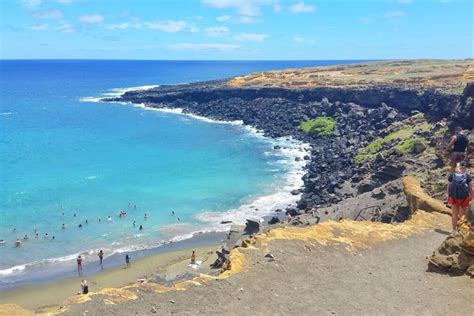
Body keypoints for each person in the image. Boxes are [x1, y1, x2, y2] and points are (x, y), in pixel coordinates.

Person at [447, 161, 473, 233]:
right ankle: (460, 230)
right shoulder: (467, 176)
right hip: (464, 198)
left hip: (453, 197)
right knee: (462, 214)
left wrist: (449, 195)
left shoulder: (452, 175)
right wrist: (471, 197)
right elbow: (471, 188)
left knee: (454, 214)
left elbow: (449, 186)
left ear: (457, 167)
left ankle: (453, 230)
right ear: (465, 168)